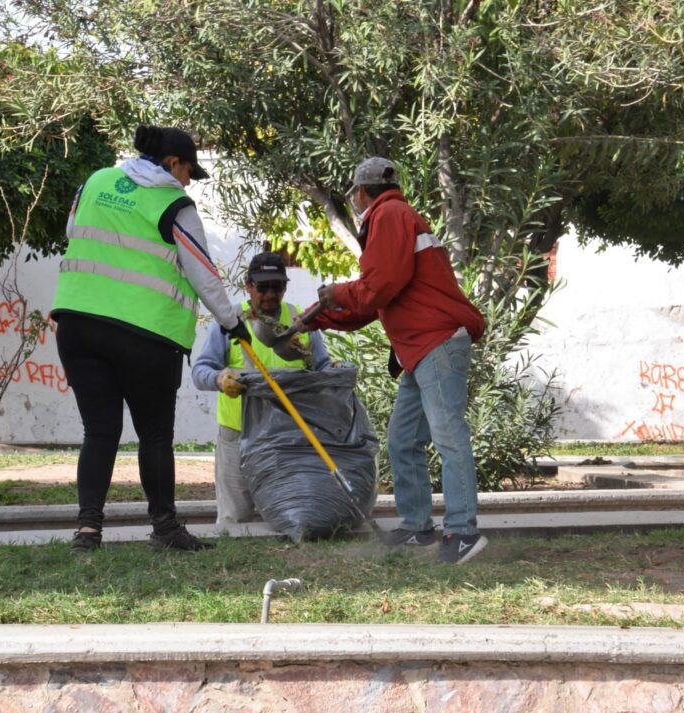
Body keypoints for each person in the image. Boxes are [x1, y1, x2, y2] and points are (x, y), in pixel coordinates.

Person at [51, 125, 252, 554]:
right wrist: (233, 323)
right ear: (171, 163)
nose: (186, 182)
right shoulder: (176, 206)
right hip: (145, 335)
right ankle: (164, 527)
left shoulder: (96, 181)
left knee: (99, 432)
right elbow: (203, 274)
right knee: (155, 437)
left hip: (78, 325)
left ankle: (88, 532)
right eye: (186, 172)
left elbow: (73, 231)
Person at [297, 157, 488, 565]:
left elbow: (376, 287)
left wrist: (334, 295)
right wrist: (317, 316)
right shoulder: (397, 215)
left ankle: (463, 532)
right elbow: (374, 299)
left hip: (434, 343)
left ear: (361, 192)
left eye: (353, 194)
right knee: (403, 440)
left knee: (449, 437)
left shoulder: (388, 215)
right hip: (421, 349)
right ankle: (418, 528)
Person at [191, 252, 330, 524]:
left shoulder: (300, 322)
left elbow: (322, 369)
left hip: (289, 437)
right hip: (238, 435)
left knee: (291, 514)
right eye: (262, 287)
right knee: (235, 519)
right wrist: (220, 379)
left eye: (276, 287)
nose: (269, 294)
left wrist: (331, 370)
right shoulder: (230, 321)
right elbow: (200, 371)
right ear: (248, 285)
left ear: (285, 287)